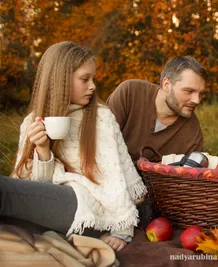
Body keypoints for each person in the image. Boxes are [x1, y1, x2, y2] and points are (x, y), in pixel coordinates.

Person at [0, 41, 147, 251]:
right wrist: (43, 151)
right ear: (60, 81)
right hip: (52, 209)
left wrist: (122, 230)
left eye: (93, 78)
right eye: (84, 79)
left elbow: (115, 180)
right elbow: (37, 191)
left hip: (88, 211)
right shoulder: (32, 122)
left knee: (4, 191)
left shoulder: (101, 118)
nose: (93, 86)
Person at [106, 56, 208, 163]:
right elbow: (100, 143)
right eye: (189, 91)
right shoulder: (129, 93)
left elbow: (189, 175)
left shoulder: (193, 133)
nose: (197, 100)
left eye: (200, 93)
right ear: (166, 85)